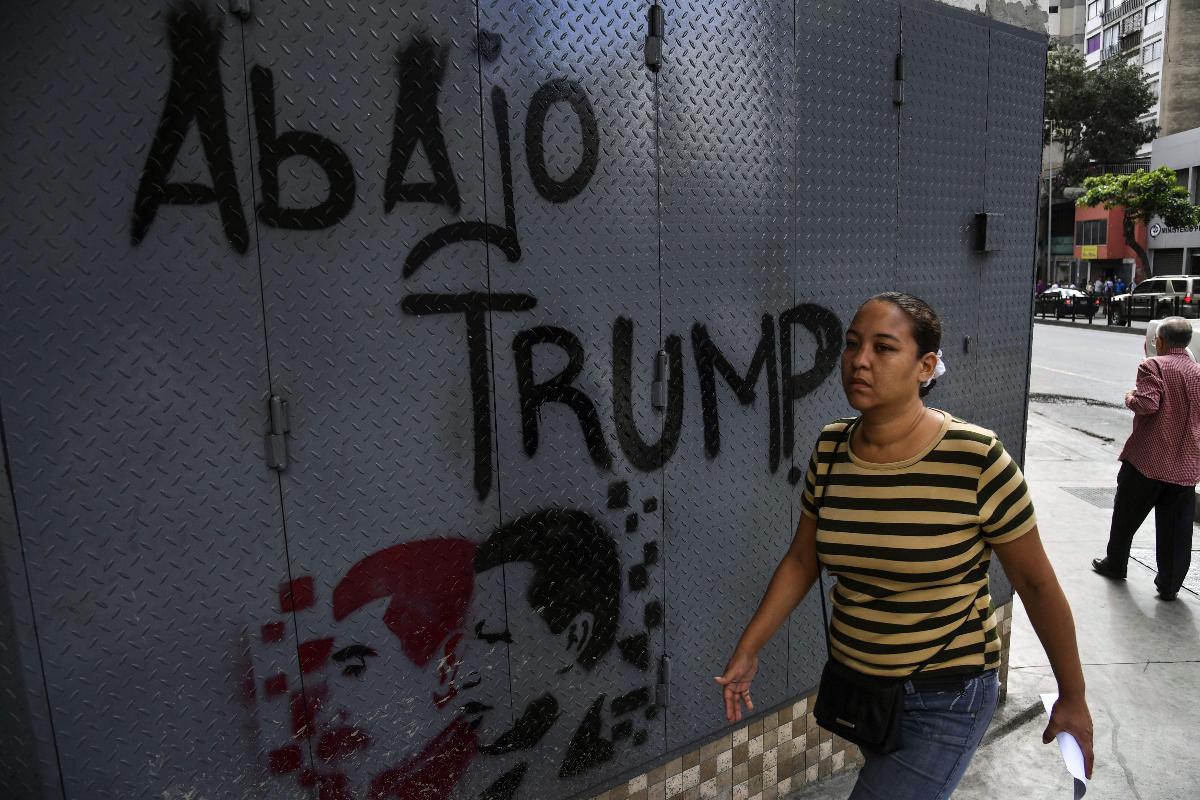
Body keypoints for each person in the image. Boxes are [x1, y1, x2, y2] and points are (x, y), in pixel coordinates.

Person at [715, 293, 1093, 799]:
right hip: (863, 692)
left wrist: (1074, 695)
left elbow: (1036, 583)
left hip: (946, 694)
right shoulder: (831, 449)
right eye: (852, 345)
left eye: (884, 348)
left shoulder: (977, 458)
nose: (860, 361)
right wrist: (750, 646)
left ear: (926, 365)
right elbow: (804, 559)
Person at [1092, 317, 1200, 601]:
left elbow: (1147, 404)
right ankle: (1169, 585)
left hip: (1148, 461)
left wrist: (1130, 397)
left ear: (1160, 342)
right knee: (1177, 530)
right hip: (1186, 466)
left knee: (1126, 515)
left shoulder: (1153, 365)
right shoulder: (1199, 373)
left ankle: (1115, 564)